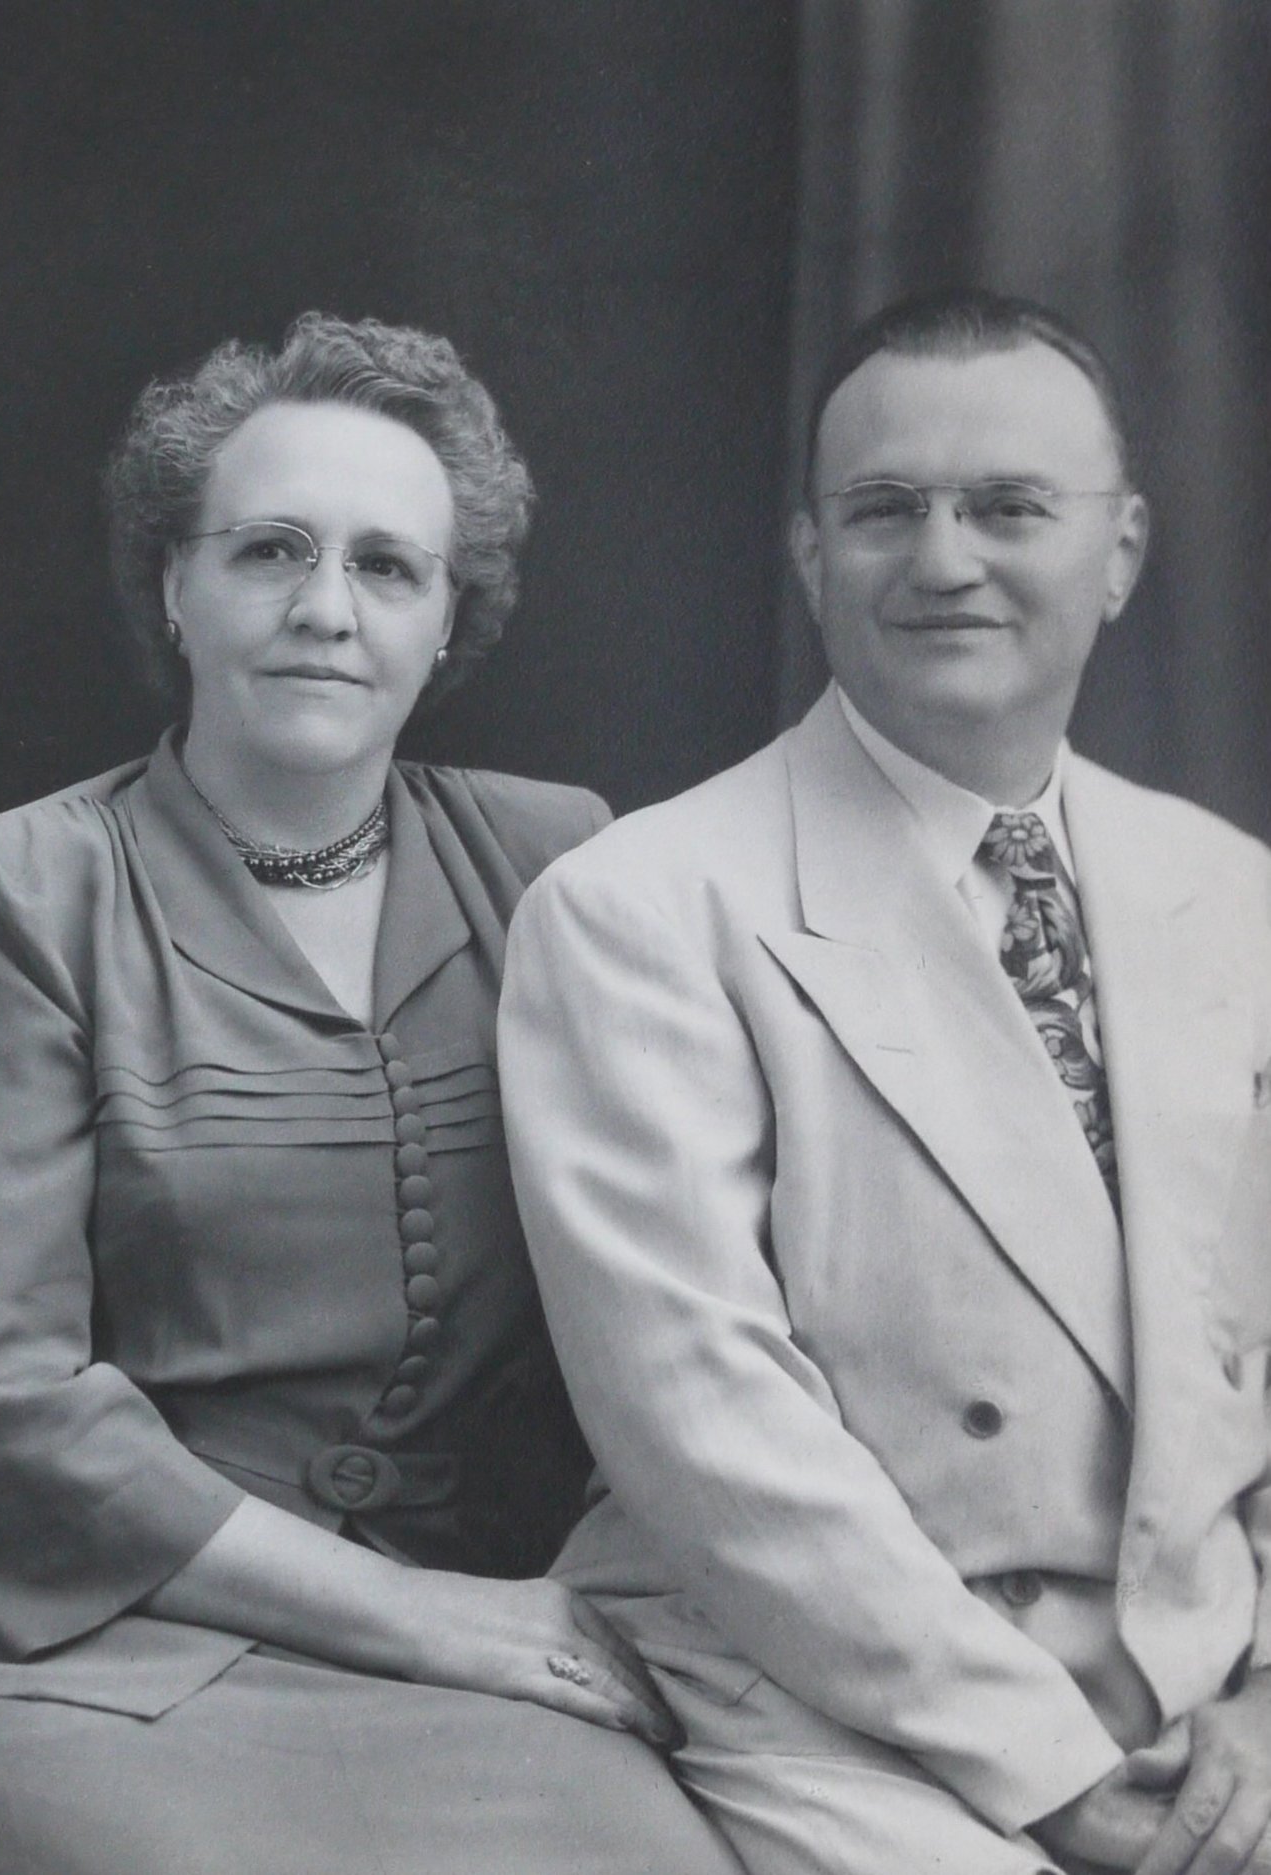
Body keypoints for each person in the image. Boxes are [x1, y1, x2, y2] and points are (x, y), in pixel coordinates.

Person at [0, 313, 740, 1875]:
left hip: (501, 1649)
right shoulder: (10, 893)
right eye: (269, 552)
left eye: (389, 568)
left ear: (450, 621)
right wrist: (434, 1621)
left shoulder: (561, 862)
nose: (327, 611)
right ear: (174, 588)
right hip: (94, 1652)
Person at [498, 289, 1271, 1875]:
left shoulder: (1235, 892)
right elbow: (706, 1429)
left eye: (1009, 509)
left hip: (1206, 1694)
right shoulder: (643, 904)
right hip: (823, 1697)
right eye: (884, 511)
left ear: (1119, 552)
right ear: (808, 557)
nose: (943, 561)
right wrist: (1049, 1768)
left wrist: (1267, 1697)